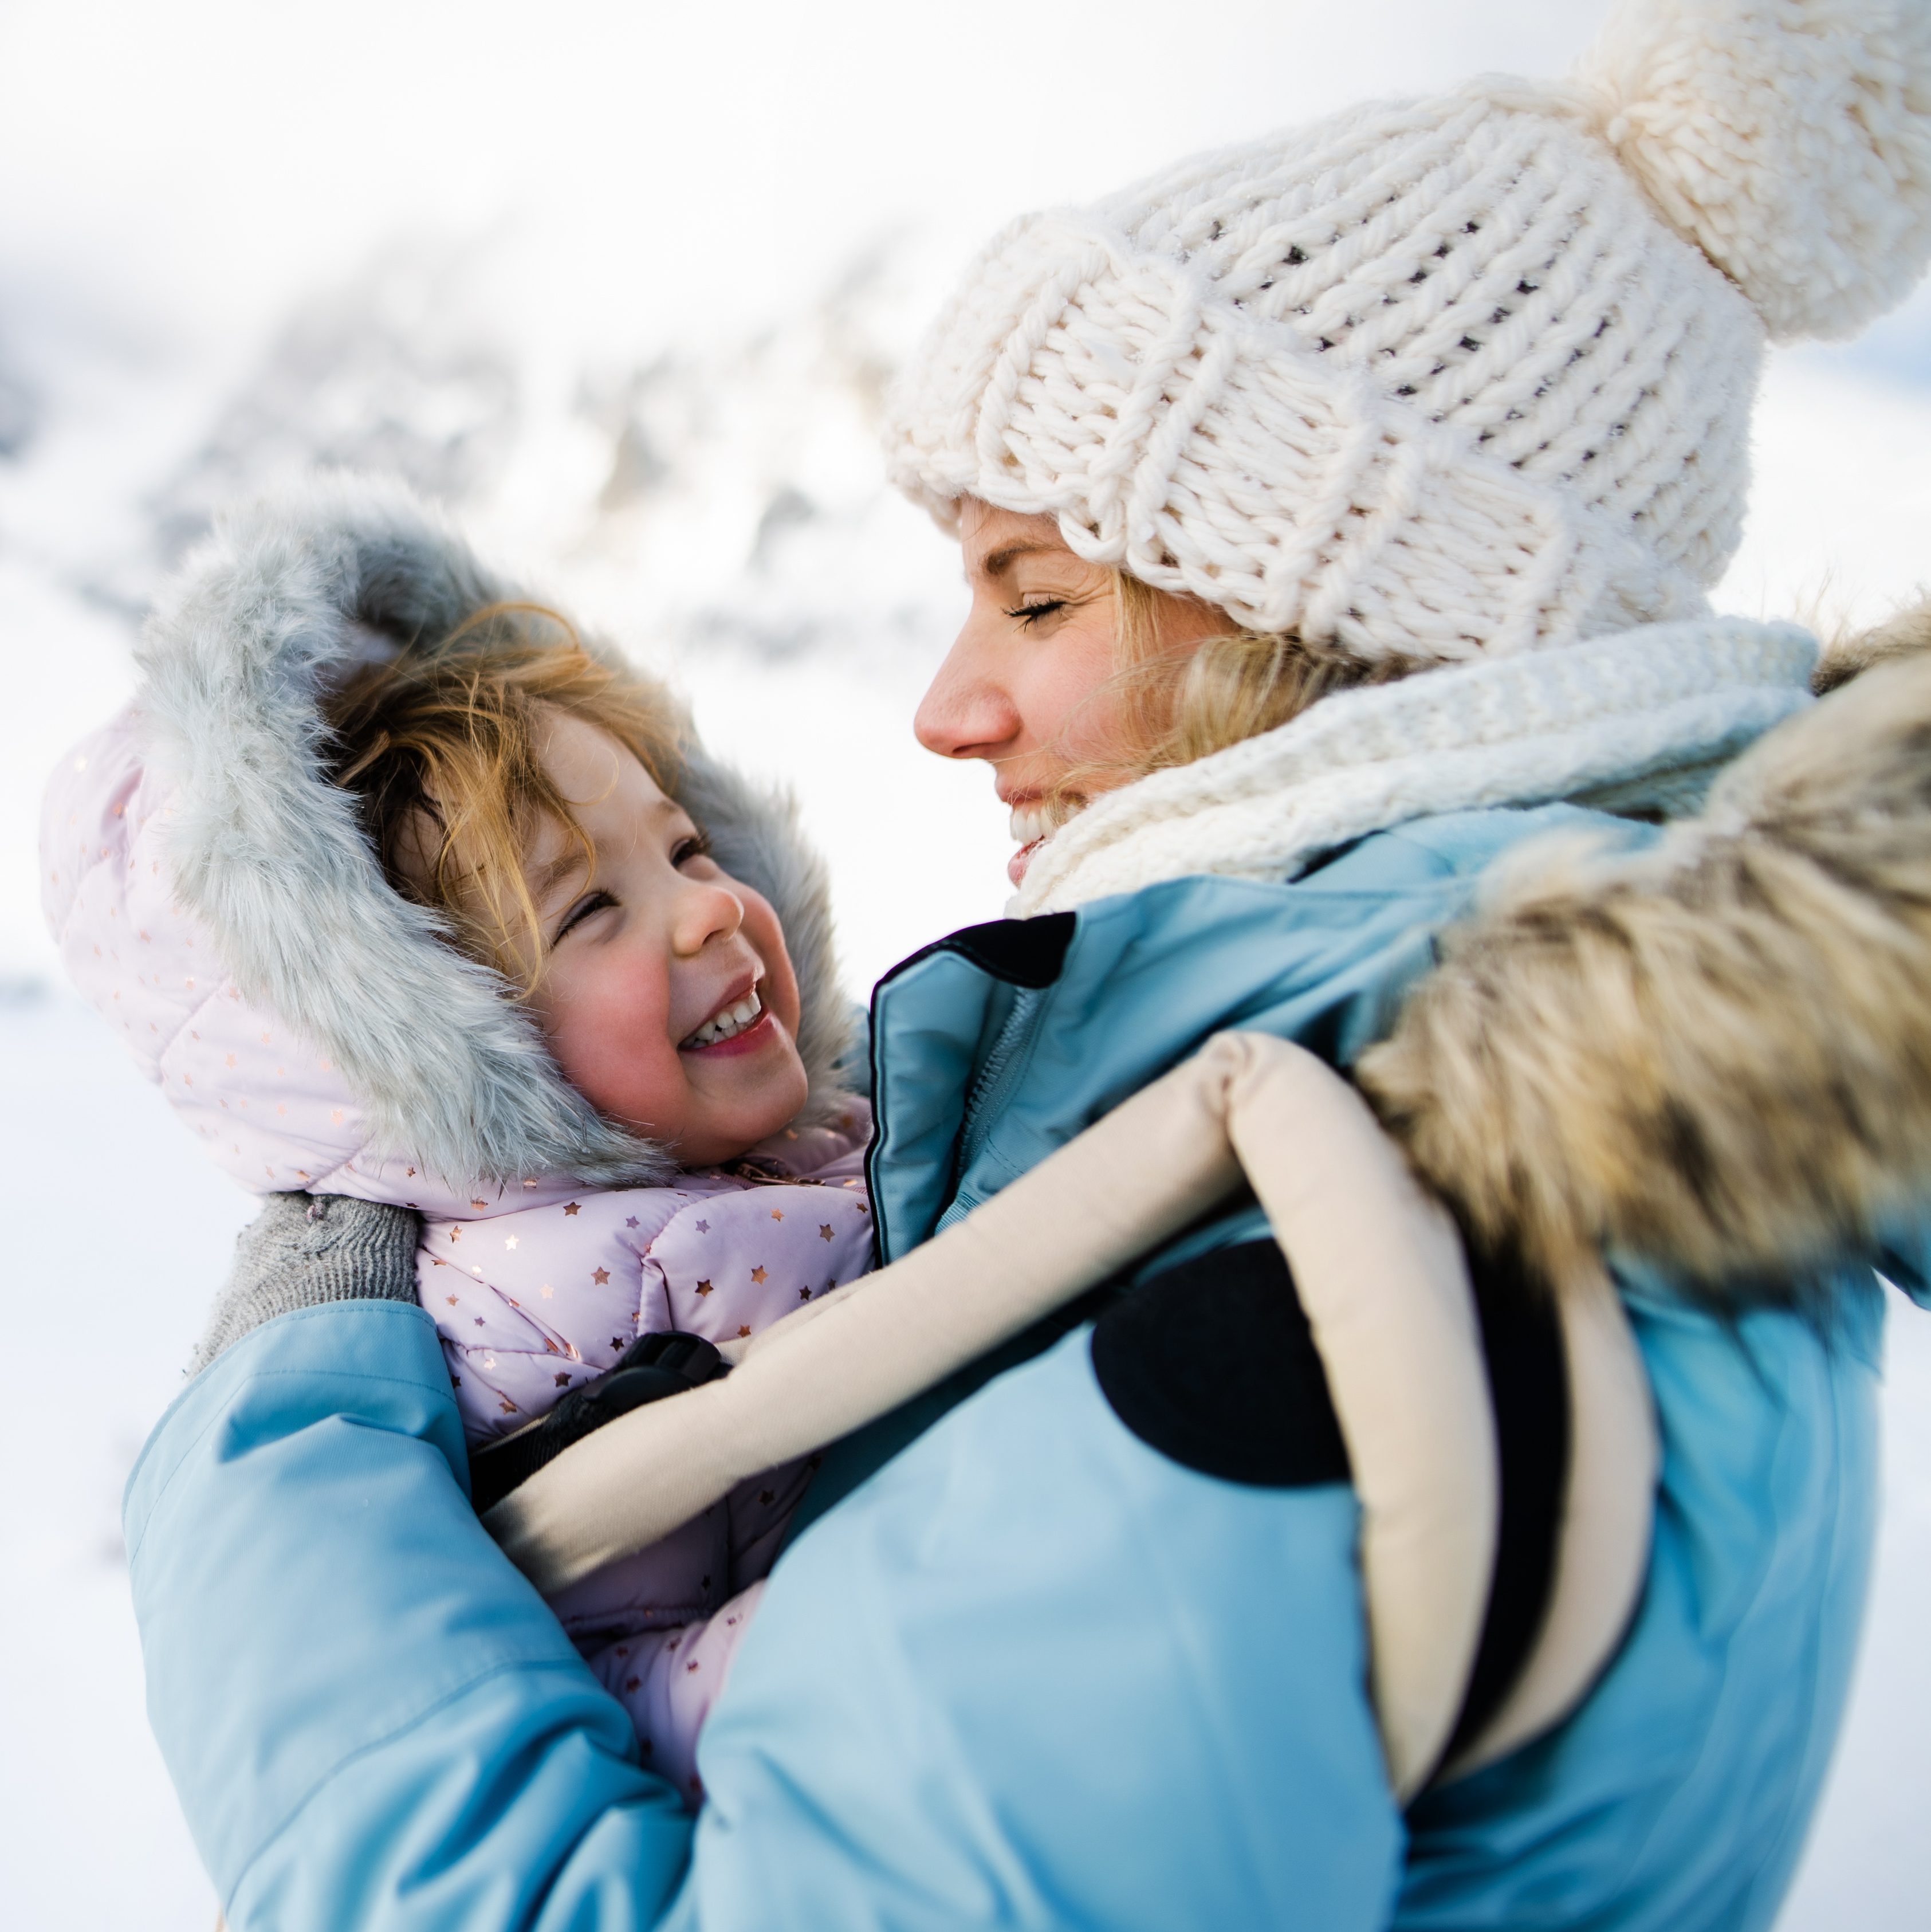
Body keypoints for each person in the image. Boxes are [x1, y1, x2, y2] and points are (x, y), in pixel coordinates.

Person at [88, 2, 1931, 1926]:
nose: (946, 709)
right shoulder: (1538, 1096)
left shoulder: (1317, 1257)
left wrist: (275, 1498)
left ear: (1355, 620)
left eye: (1036, 597)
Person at [45, 488, 879, 1801]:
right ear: (451, 1036)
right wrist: (832, 1633)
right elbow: (597, 1665)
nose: (706, 912)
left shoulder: (817, 1132)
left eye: (685, 845)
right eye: (592, 907)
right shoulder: (531, 1316)